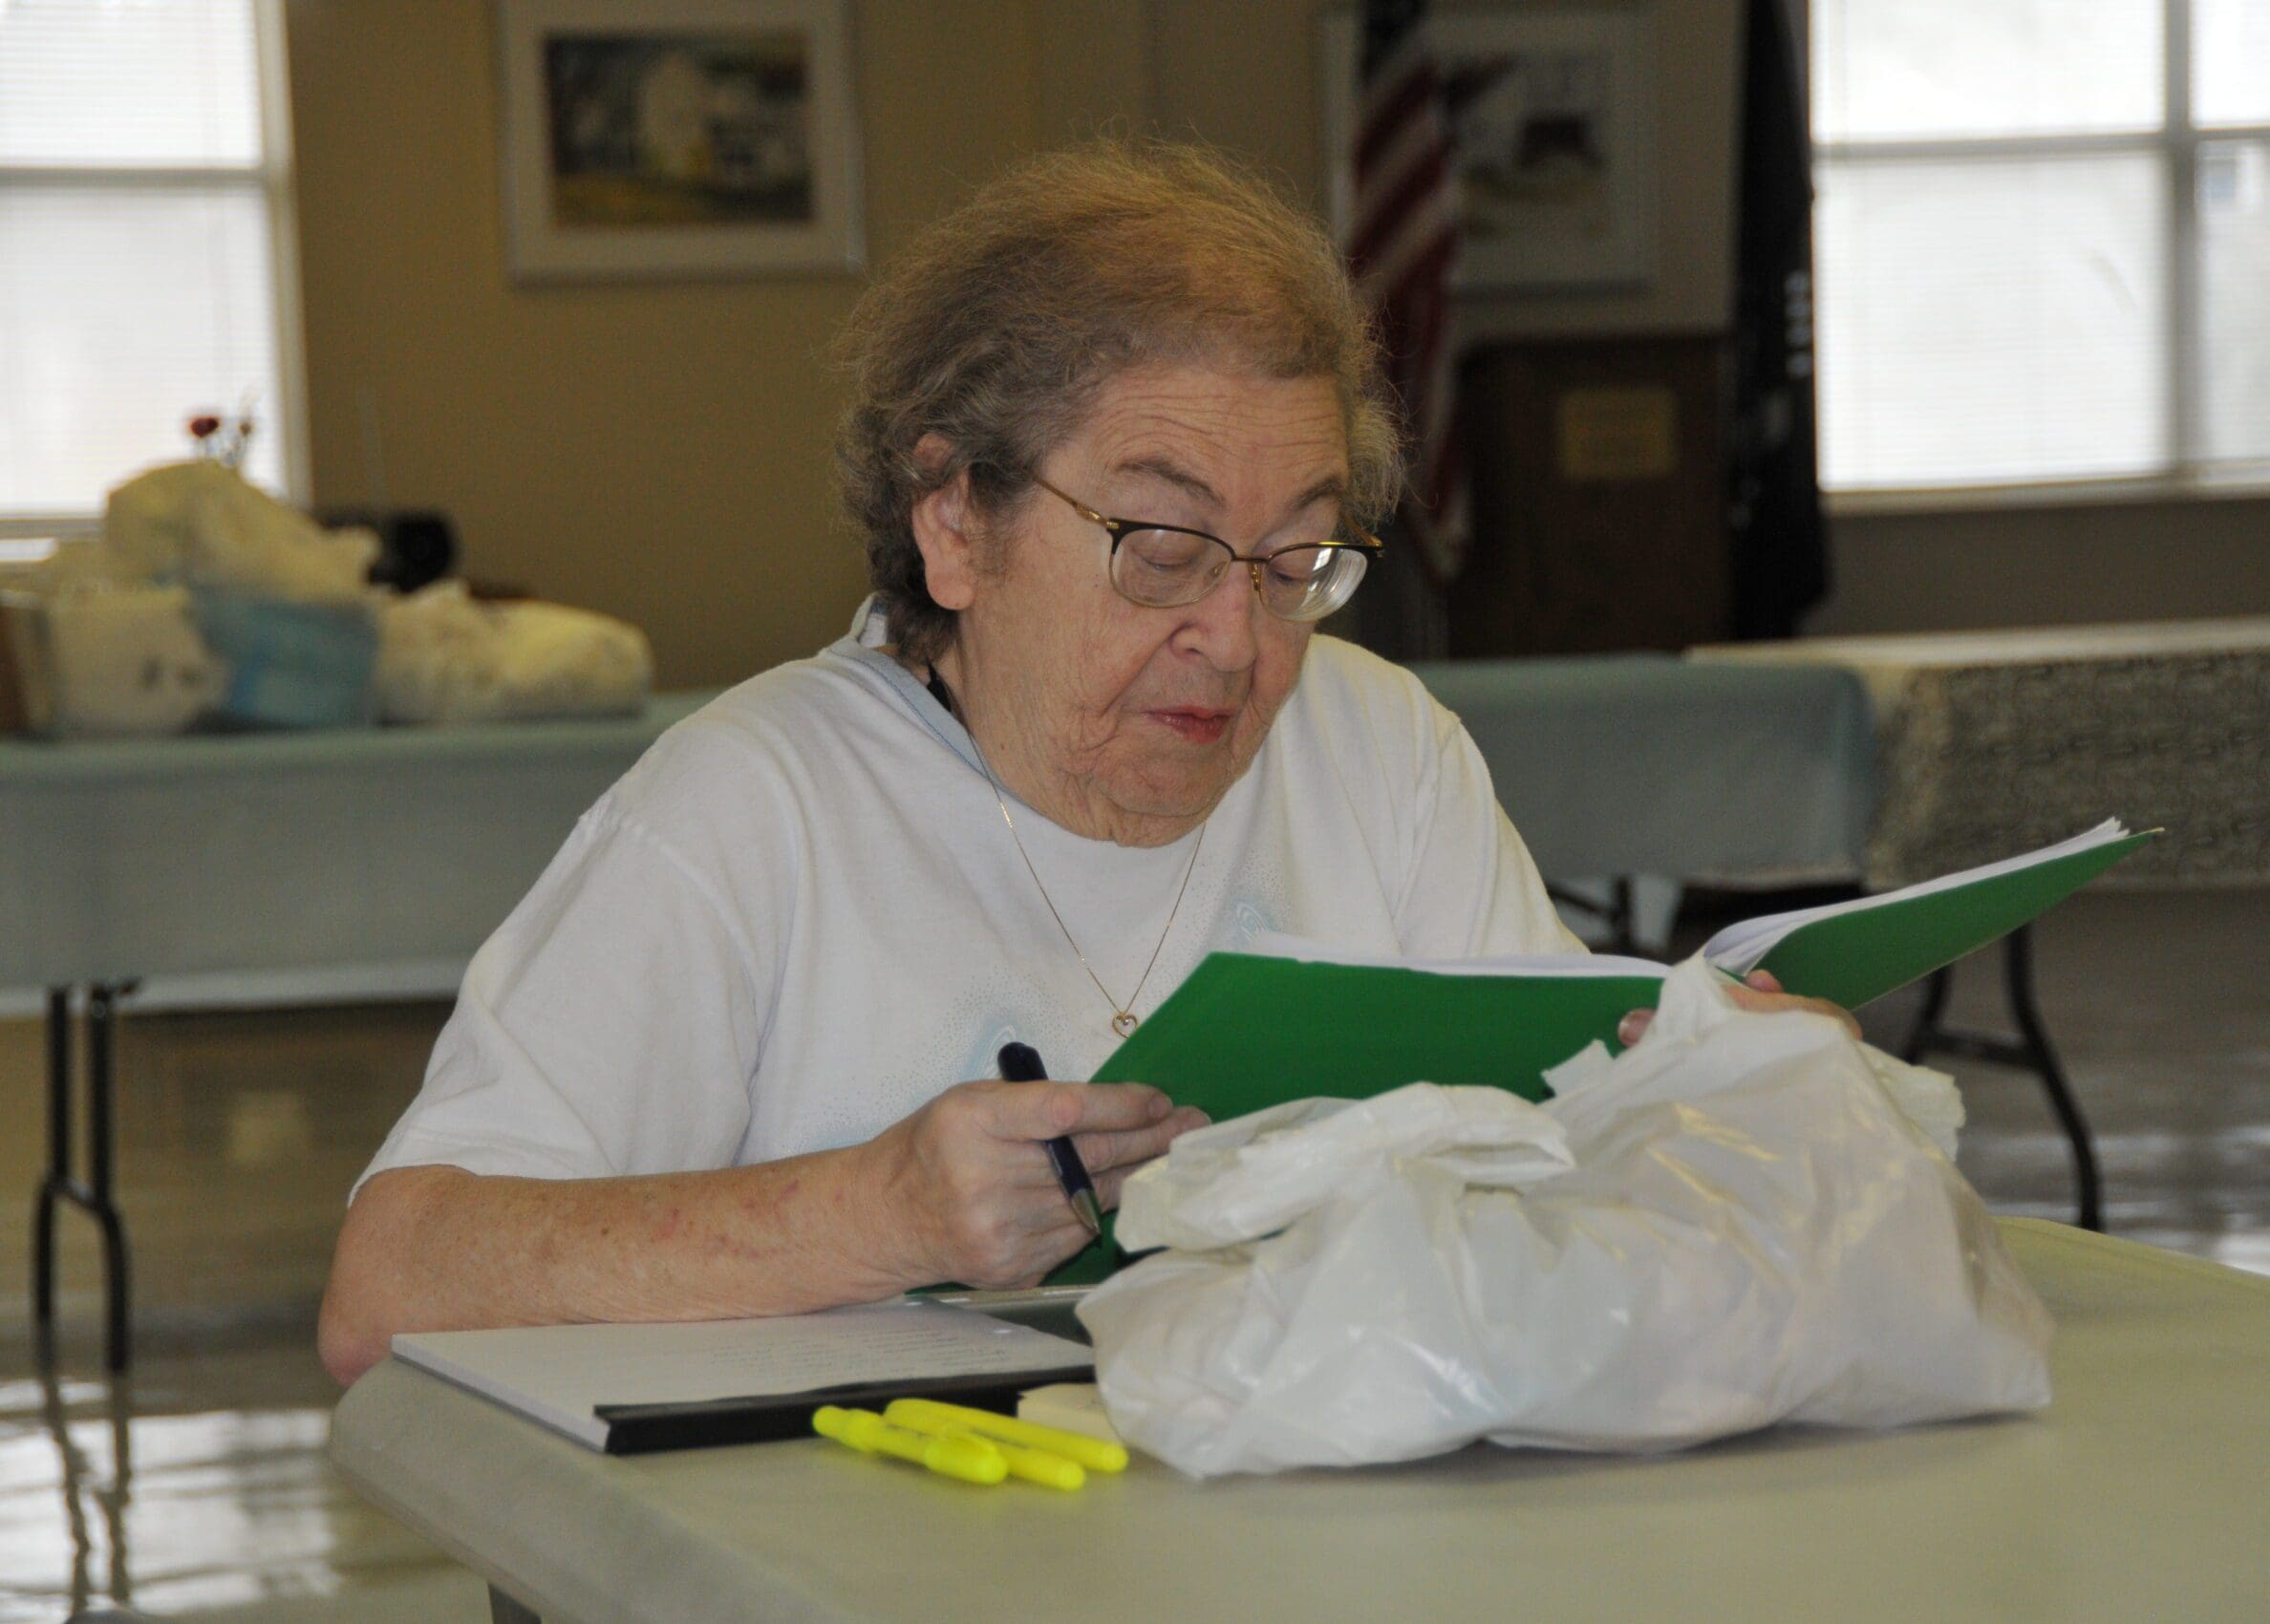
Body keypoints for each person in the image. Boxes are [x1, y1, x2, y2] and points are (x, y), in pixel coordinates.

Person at [319, 142, 1846, 1386]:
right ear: (955, 521)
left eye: (1294, 560)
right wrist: (874, 1212)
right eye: (1163, 548)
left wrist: (1716, 1097)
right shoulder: (754, 808)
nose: (1237, 644)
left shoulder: (1377, 750)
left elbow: (1568, 1158)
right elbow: (386, 1290)